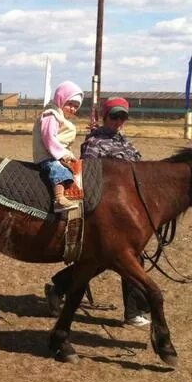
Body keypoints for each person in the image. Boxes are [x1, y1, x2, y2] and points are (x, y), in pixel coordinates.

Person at [45, 96, 151, 326]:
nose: (119, 121)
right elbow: (89, 175)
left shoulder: (126, 141)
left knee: (111, 260)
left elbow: (139, 169)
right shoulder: (95, 142)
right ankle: (132, 312)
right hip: (106, 212)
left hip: (126, 211)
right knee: (117, 259)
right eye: (115, 116)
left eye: (123, 116)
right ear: (105, 116)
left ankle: (59, 287)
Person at [32, 80, 83, 212]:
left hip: (55, 153)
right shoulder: (51, 115)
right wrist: (62, 154)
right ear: (61, 99)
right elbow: (48, 138)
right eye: (70, 104)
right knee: (60, 170)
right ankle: (59, 198)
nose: (72, 108)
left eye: (76, 106)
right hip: (48, 155)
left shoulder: (60, 117)